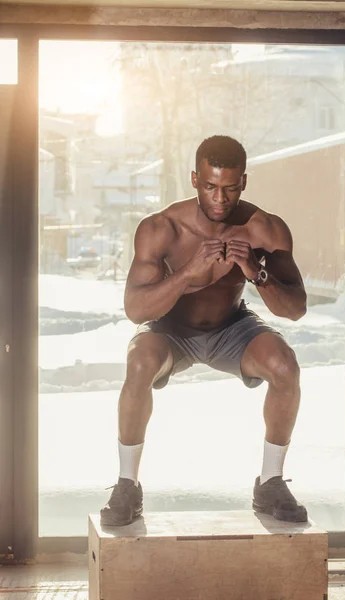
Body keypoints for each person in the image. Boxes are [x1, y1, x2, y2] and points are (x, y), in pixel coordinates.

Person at [100, 135, 308, 527]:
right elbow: (135, 309)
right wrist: (187, 274)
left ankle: (271, 482)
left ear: (243, 182)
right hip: (170, 327)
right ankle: (127, 485)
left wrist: (255, 272)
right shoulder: (161, 228)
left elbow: (295, 308)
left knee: (285, 367)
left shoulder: (265, 228)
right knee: (140, 364)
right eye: (210, 187)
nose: (219, 198)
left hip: (231, 325)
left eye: (230, 188)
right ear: (195, 179)